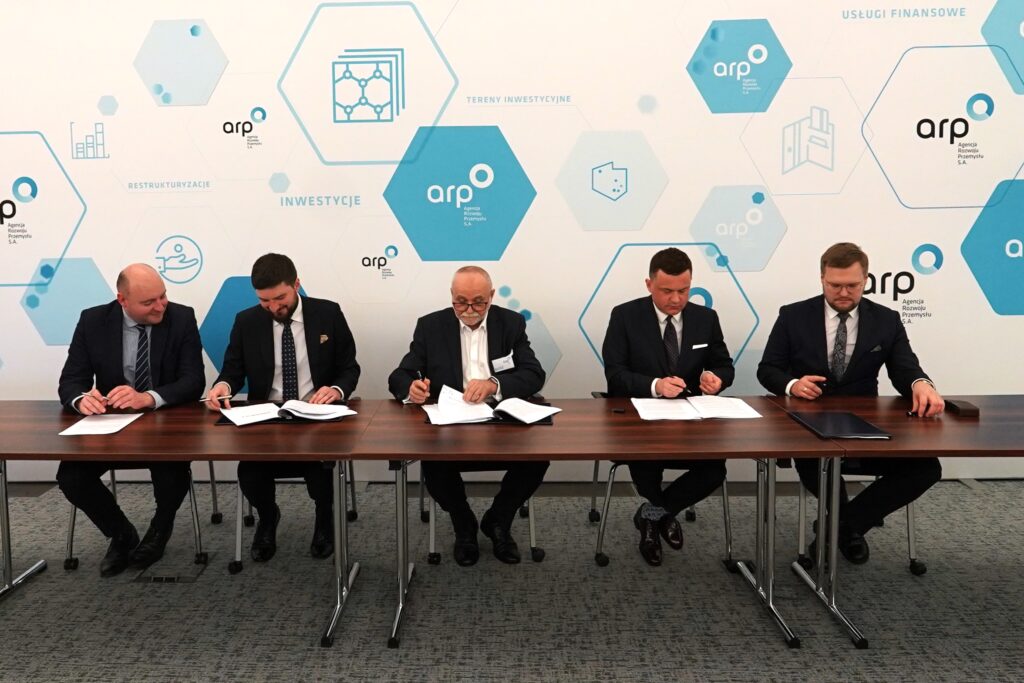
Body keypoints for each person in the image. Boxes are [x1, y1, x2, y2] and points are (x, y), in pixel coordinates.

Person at [758, 242, 944, 564]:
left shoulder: (886, 320)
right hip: (808, 429)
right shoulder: (793, 316)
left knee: (926, 467)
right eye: (835, 285)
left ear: (866, 280)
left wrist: (921, 384)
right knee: (821, 466)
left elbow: (905, 368)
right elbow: (768, 369)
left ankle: (842, 528)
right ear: (822, 279)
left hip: (865, 428)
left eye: (852, 285)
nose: (843, 293)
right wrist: (792, 384)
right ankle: (848, 530)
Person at [204, 254, 360, 562]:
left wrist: (336, 390)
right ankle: (268, 517)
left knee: (322, 470)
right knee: (250, 472)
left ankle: (324, 519)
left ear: (296, 285)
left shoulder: (327, 313)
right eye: (265, 301)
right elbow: (232, 371)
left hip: (315, 414)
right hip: (267, 416)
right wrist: (222, 386)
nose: (274, 307)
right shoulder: (247, 321)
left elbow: (348, 368)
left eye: (280, 298)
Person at [388, 266, 547, 566]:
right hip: (450, 423)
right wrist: (411, 388)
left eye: (478, 302)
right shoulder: (431, 326)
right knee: (434, 463)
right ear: (451, 296)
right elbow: (401, 374)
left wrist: (494, 384)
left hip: (500, 421)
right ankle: (464, 524)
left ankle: (498, 519)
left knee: (538, 459)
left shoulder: (510, 323)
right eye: (461, 302)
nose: (470, 310)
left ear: (491, 296)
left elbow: (534, 374)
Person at [57, 263, 205, 577]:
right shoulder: (93, 321)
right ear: (122, 300)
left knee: (172, 472)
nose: (160, 306)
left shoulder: (181, 318)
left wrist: (148, 397)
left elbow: (193, 381)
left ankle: (159, 530)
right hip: (111, 428)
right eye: (149, 302)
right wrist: (81, 399)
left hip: (164, 426)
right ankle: (121, 534)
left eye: (163, 296)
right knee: (71, 477)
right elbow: (70, 381)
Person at [602, 248, 735, 566]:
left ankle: (652, 515)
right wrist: (655, 385)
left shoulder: (706, 319)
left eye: (683, 290)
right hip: (641, 420)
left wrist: (717, 379)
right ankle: (660, 516)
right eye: (666, 291)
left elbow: (724, 365)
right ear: (649, 284)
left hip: (692, 421)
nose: (676, 299)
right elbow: (615, 373)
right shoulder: (625, 316)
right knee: (646, 463)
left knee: (714, 469)